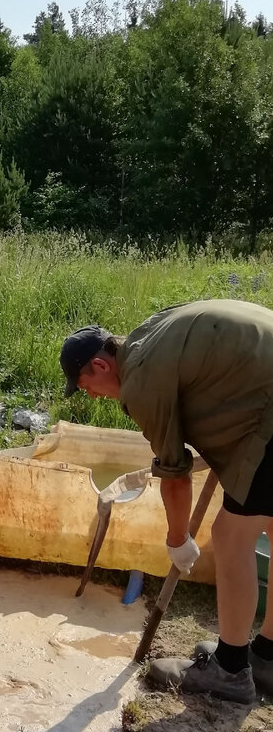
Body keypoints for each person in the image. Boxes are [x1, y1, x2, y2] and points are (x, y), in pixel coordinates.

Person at [60, 300, 273, 705]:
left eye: (88, 388)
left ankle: (229, 670)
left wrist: (177, 540)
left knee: (230, 536)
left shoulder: (142, 382)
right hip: (262, 381)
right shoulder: (147, 334)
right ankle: (267, 656)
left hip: (268, 411)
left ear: (102, 366)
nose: (94, 397)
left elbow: (174, 477)